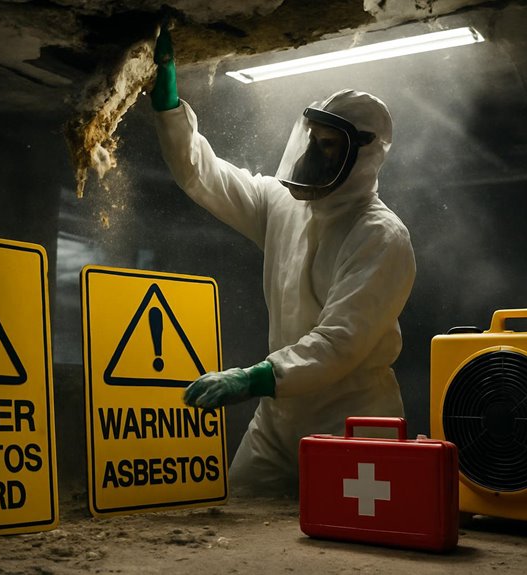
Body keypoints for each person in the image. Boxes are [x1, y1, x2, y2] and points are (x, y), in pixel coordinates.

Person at [150, 27, 416, 496]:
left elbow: (338, 345)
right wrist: (170, 109)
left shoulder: (380, 236)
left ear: (364, 155)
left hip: (350, 420)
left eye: (329, 145)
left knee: (347, 551)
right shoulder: (283, 204)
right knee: (238, 519)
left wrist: (253, 377)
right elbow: (203, 176)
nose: (313, 155)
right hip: (277, 419)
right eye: (312, 140)